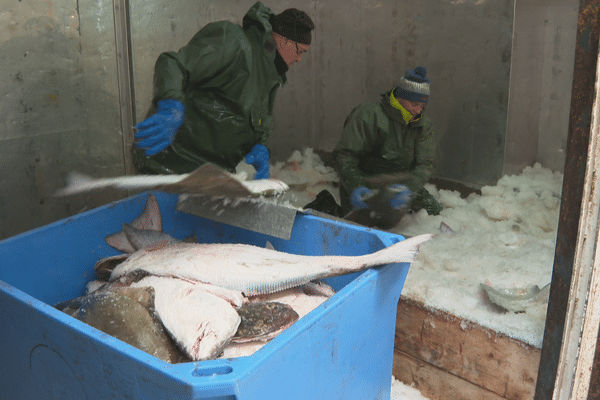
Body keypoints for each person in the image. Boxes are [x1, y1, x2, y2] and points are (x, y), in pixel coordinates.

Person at [132, 2, 314, 180]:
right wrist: (171, 105)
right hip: (166, 167)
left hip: (208, 179)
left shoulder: (270, 76)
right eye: (300, 51)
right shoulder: (235, 42)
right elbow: (173, 63)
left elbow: (258, 123)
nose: (298, 59)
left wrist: (260, 147)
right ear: (283, 40)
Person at [330, 66, 442, 228]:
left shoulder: (424, 125)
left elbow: (426, 164)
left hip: (402, 186)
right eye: (414, 104)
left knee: (434, 213)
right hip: (366, 187)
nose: (418, 111)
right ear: (400, 97)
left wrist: (410, 188)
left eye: (422, 107)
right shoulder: (368, 116)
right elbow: (344, 155)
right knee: (362, 227)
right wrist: (356, 185)